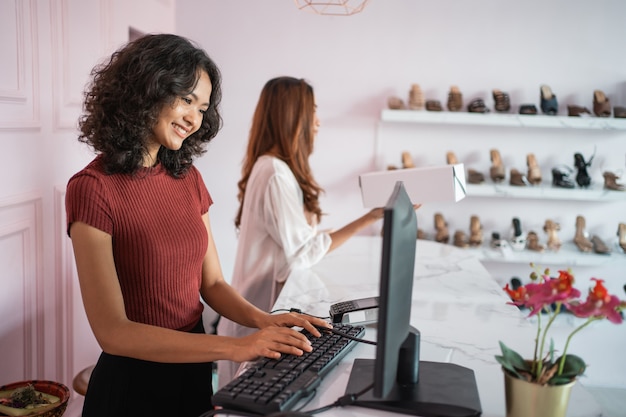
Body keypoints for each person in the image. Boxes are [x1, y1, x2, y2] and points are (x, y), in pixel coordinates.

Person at [65, 35, 330, 417]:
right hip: (133, 387)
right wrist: (238, 347)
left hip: (192, 375)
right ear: (146, 90)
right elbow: (114, 332)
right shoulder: (92, 189)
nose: (194, 118)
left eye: (203, 107)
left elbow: (213, 283)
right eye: (186, 99)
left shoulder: (187, 177)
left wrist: (264, 321)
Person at [217, 76, 420, 385]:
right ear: (292, 115)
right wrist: (369, 218)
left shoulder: (274, 168)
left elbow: (302, 242)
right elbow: (302, 253)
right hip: (256, 318)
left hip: (259, 314)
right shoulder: (274, 173)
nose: (318, 122)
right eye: (312, 112)